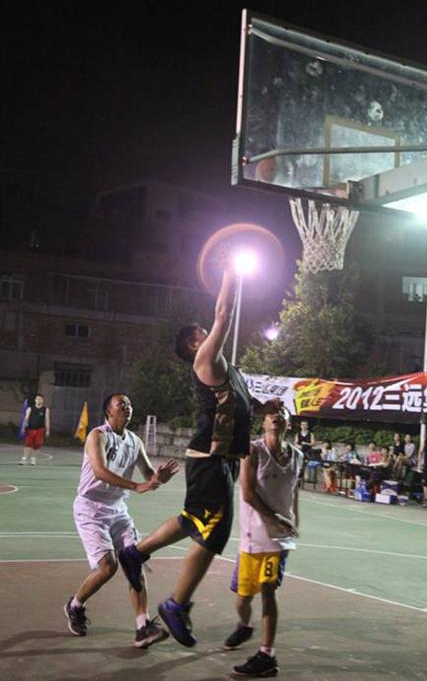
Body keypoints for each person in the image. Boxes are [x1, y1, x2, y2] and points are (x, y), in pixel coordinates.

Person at [118, 264, 283, 649]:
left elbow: (240, 404)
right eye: (202, 332)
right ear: (195, 343)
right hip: (210, 457)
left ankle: (135, 553)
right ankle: (176, 604)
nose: (209, 332)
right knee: (216, 531)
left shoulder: (228, 369)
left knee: (193, 518)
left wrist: (264, 407)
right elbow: (224, 312)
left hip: (219, 458)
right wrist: (231, 272)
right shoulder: (205, 360)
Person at [64, 393, 178, 647]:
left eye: (129, 404)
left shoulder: (135, 441)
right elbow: (100, 471)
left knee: (133, 562)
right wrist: (136, 486)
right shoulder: (97, 436)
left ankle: (143, 627)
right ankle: (75, 605)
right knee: (108, 567)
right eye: (121, 404)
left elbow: (149, 475)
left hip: (117, 510)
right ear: (109, 412)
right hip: (90, 508)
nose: (127, 407)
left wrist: (159, 478)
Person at [224, 406, 302, 678]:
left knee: (268, 590)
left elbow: (294, 491)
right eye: (272, 413)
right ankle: (245, 625)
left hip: (279, 539)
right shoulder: (253, 450)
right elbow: (247, 493)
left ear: (289, 423)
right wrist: (274, 518)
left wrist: (293, 519)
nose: (277, 415)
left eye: (283, 412)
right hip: (252, 536)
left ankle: (267, 654)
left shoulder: (298, 456)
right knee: (243, 597)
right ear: (264, 422)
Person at [19, 393, 50, 465]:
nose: (39, 400)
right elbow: (26, 419)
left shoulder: (46, 409)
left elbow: (47, 420)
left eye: (40, 399)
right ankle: (24, 459)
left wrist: (48, 430)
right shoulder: (30, 408)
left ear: (43, 400)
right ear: (35, 400)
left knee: (37, 445)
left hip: (40, 430)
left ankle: (33, 459)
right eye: (37, 399)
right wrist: (23, 428)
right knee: (28, 444)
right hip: (30, 429)